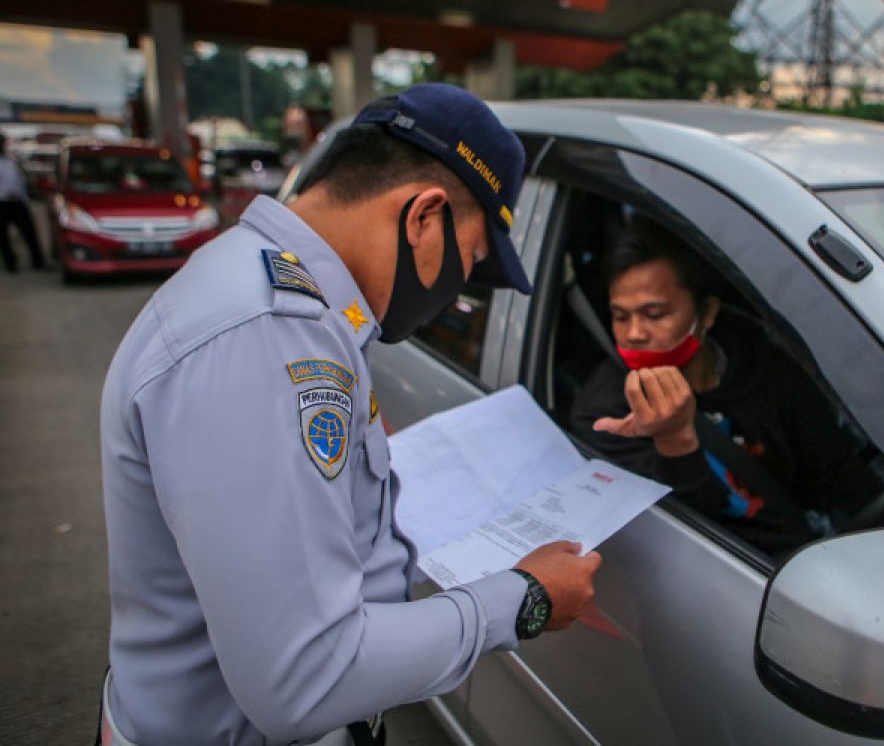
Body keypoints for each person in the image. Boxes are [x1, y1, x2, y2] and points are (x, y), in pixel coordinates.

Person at [99, 84, 601, 746]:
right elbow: (307, 678)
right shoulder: (267, 334)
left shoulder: (274, 290)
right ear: (423, 217)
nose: (457, 296)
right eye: (470, 263)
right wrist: (524, 599)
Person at [569, 220, 879, 552]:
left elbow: (840, 476)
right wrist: (675, 440)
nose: (634, 334)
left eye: (655, 314)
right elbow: (683, 542)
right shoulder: (605, 414)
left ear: (707, 314)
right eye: (620, 316)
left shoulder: (771, 371)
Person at [0, 133, 47, 273]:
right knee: (3, 237)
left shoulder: (11, 160)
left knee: (30, 233)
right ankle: (11, 264)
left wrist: (25, 196)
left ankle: (38, 261)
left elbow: (20, 181)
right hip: (2, 203)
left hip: (18, 201)